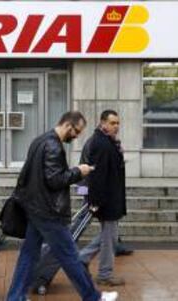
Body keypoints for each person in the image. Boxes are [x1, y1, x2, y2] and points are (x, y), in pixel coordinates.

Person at [6, 111, 118, 301]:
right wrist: (78, 172)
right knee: (70, 256)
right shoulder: (53, 146)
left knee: (28, 255)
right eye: (76, 131)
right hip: (49, 212)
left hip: (35, 209)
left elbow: (28, 175)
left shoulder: (39, 141)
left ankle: (15, 297)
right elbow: (54, 180)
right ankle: (94, 297)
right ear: (68, 125)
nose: (76, 136)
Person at [78, 110, 127, 286]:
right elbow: (92, 175)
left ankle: (82, 259)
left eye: (118, 123)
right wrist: (89, 199)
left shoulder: (108, 142)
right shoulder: (98, 143)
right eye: (113, 123)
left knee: (109, 235)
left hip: (105, 197)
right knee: (109, 236)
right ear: (103, 123)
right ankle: (104, 273)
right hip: (99, 198)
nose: (116, 127)